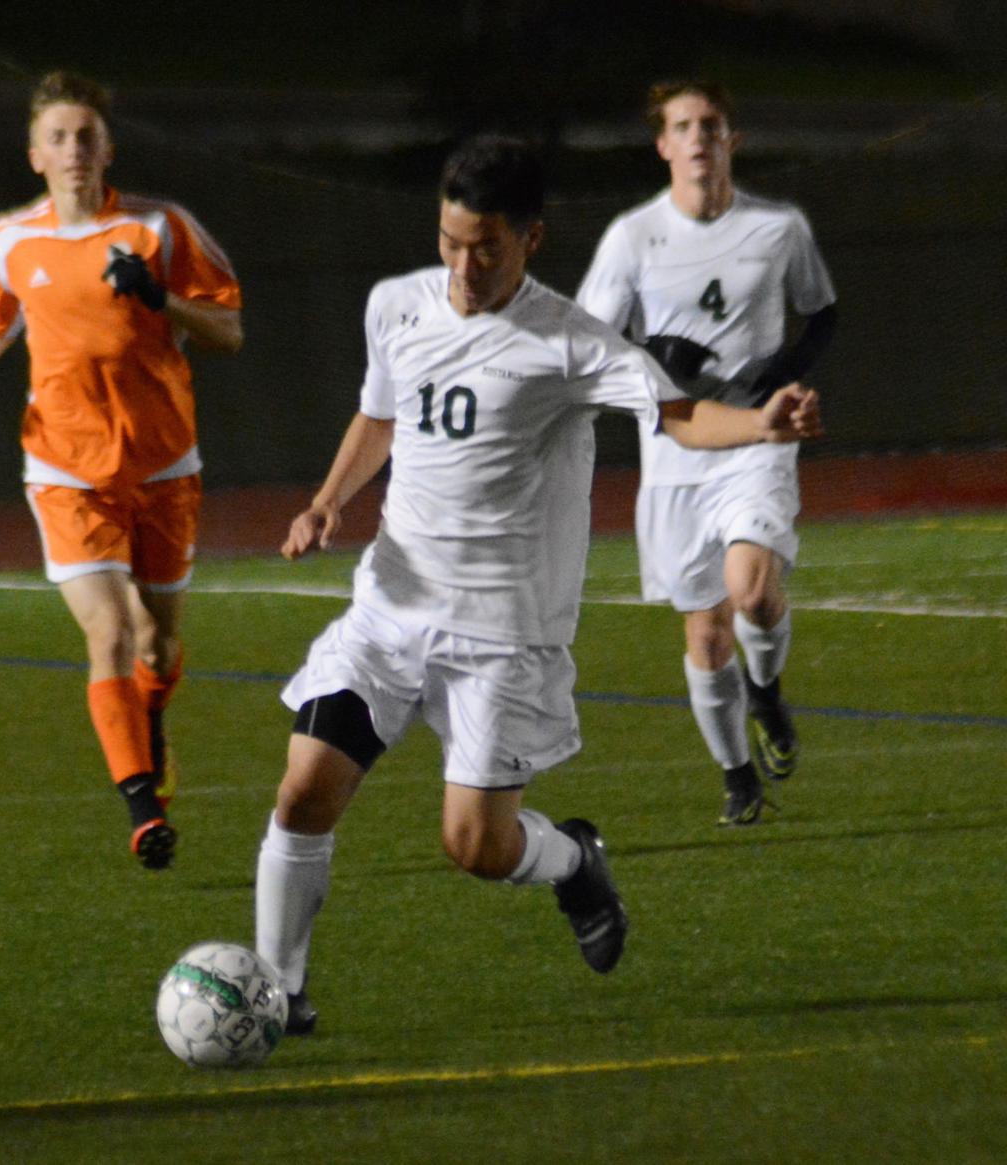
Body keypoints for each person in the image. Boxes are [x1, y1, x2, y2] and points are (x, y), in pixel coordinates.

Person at [253, 134, 823, 1035]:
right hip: (390, 607)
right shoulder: (394, 305)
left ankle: (574, 865)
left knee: (477, 847)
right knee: (304, 788)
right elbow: (380, 413)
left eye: (486, 246)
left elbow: (676, 414)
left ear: (531, 238)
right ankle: (277, 994)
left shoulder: (567, 341)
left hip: (502, 635)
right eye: (449, 241)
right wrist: (326, 502)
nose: (463, 265)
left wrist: (759, 422)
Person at [0, 71, 243, 869]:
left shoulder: (159, 229)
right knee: (111, 630)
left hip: (163, 465)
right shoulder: (10, 239)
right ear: (35, 155)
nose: (73, 151)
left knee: (158, 645)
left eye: (86, 136)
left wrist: (160, 299)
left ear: (108, 149)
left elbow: (229, 328)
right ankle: (142, 808)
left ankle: (150, 714)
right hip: (64, 468)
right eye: (58, 138)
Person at [576, 80, 837, 827]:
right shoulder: (632, 237)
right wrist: (656, 353)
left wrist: (781, 375)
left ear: (732, 139)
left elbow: (822, 315)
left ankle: (767, 692)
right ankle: (737, 775)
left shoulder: (779, 228)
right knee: (705, 630)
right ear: (663, 144)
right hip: (677, 450)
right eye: (683, 126)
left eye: (711, 125)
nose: (698, 138)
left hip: (757, 437)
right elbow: (593, 342)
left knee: (751, 592)